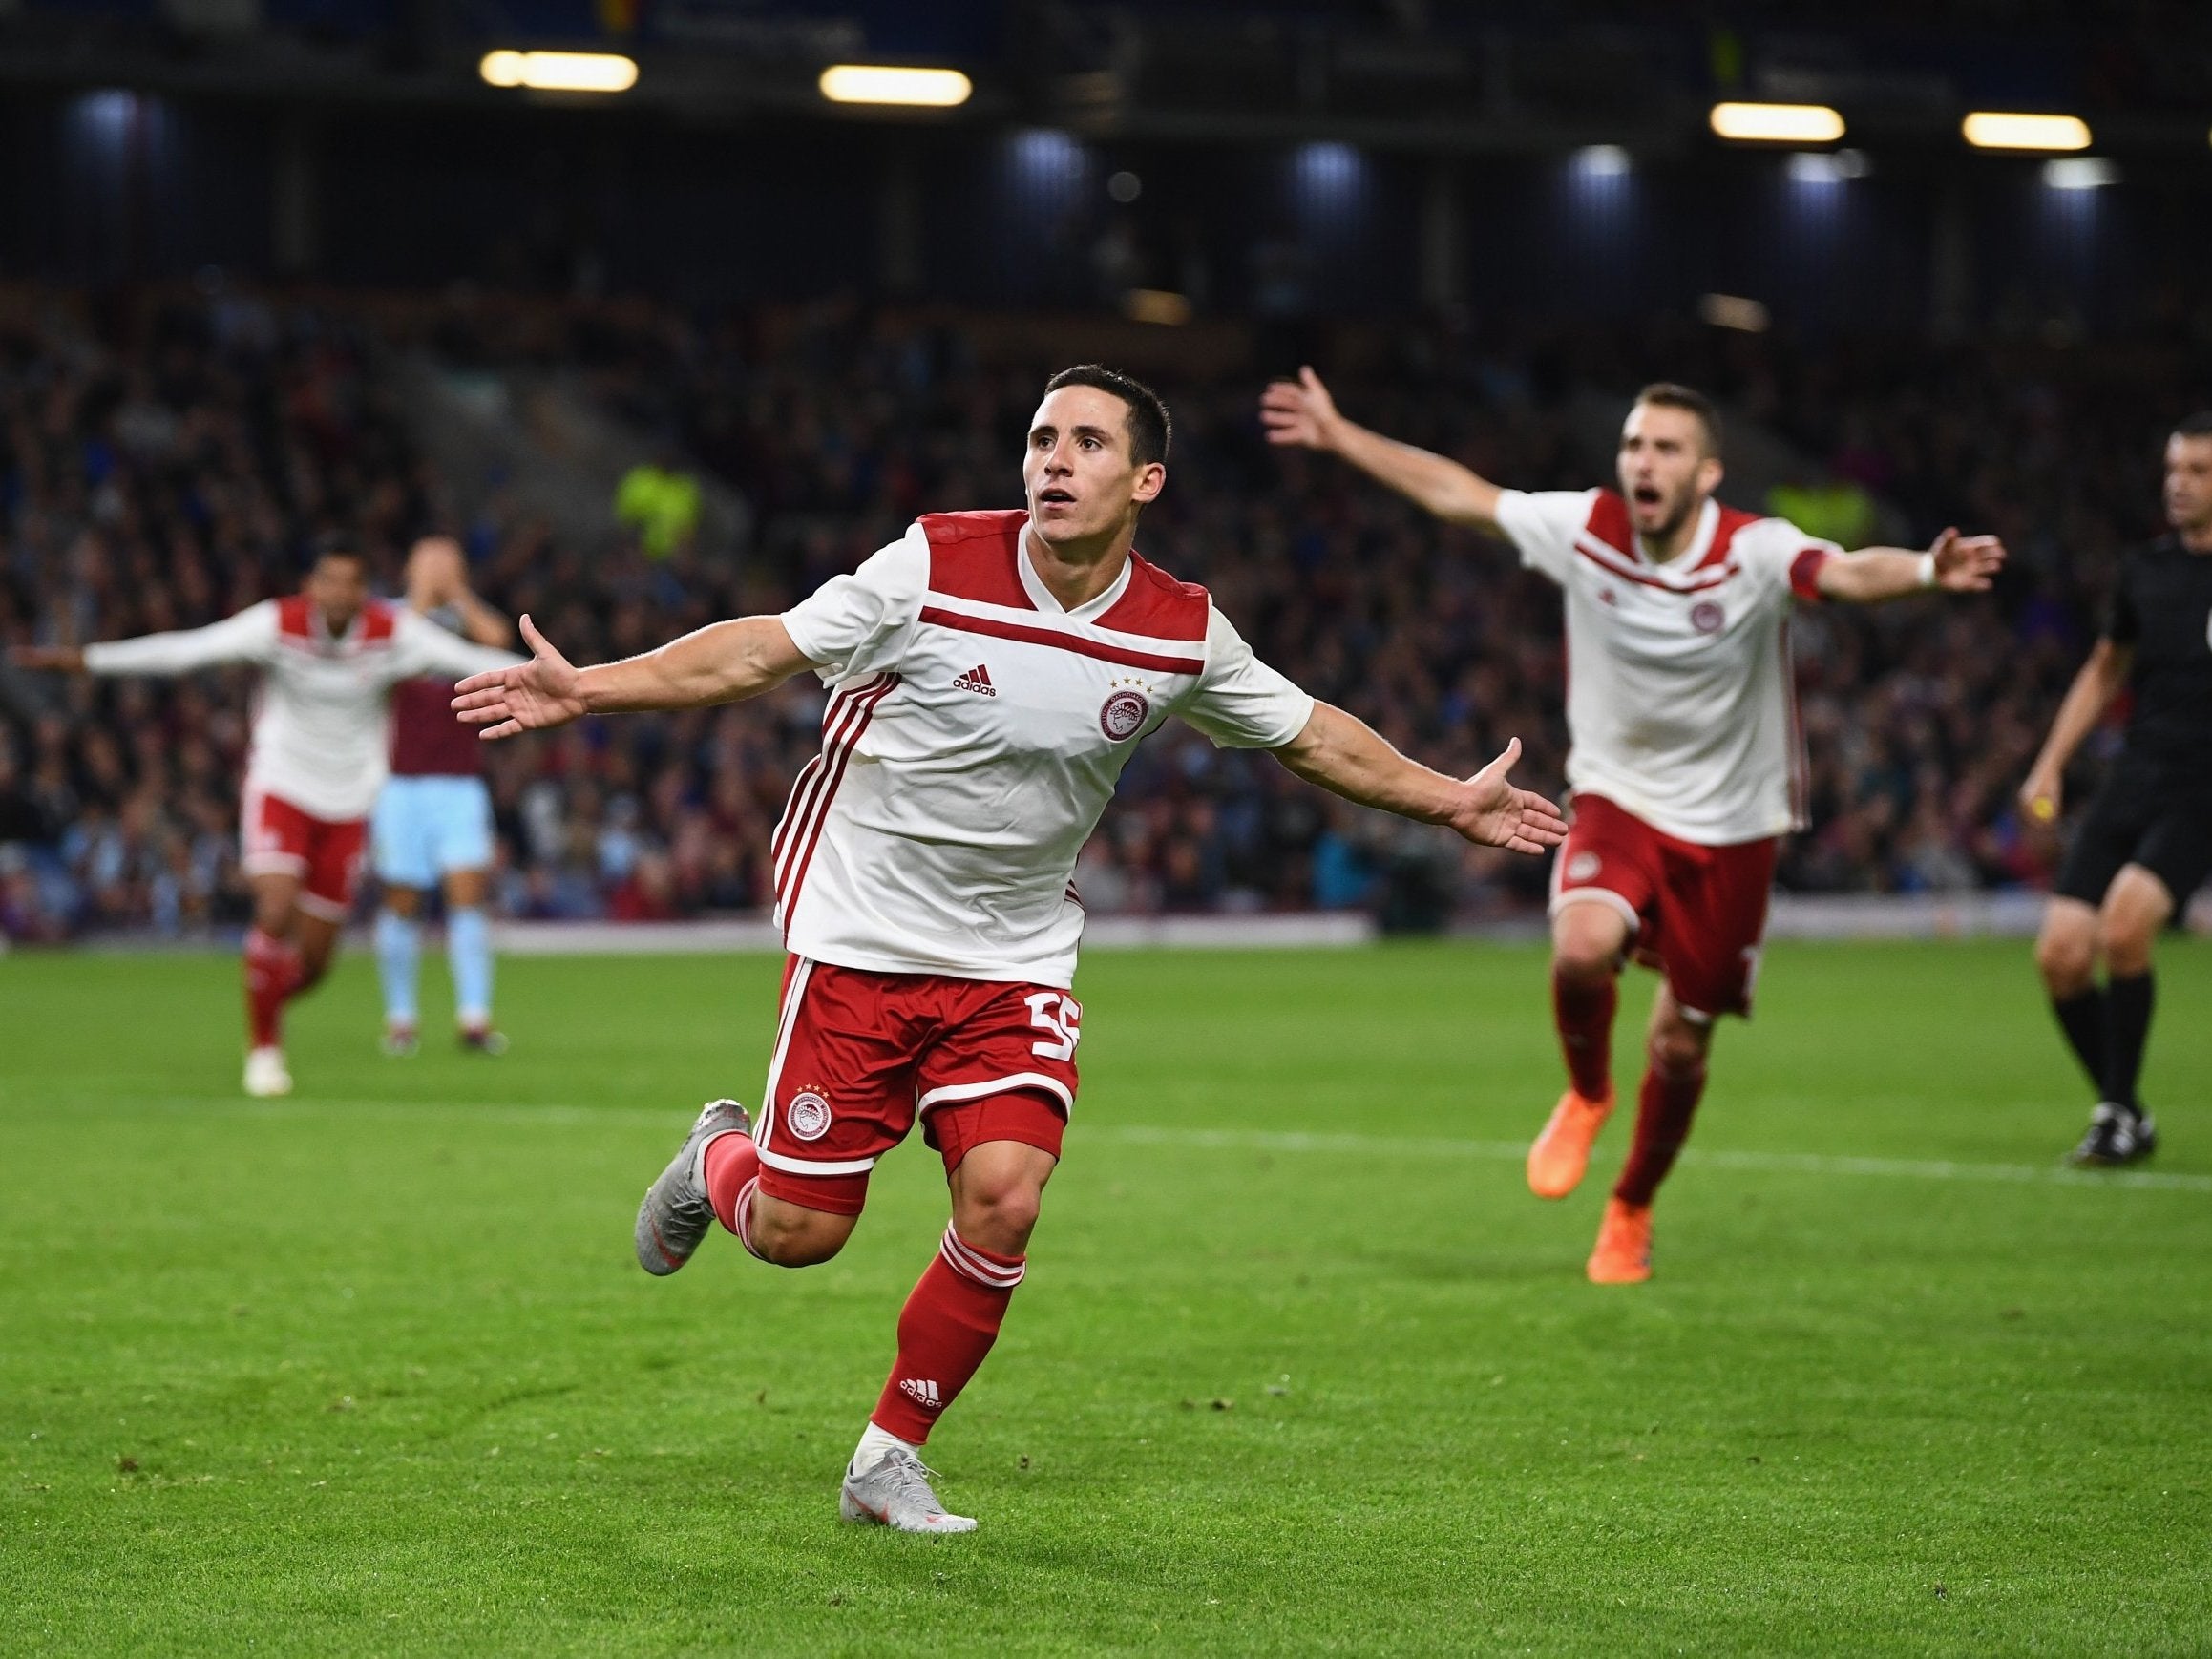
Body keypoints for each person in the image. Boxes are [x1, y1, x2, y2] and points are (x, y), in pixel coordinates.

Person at [452, 365, 1567, 1533]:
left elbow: (1308, 734)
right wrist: (591, 691)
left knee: (1006, 1197)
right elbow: (760, 652)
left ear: (1144, 480)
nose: (1052, 460)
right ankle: (717, 1157)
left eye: (1086, 442)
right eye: (1040, 437)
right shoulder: (932, 564)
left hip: (1016, 957)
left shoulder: (1178, 629)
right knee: (796, 1235)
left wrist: (1449, 801)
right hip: (860, 931)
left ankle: (888, 1456)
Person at [1260, 369, 2005, 1284]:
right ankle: (1585, 1092)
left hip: (1734, 826)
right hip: (1617, 796)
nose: (1642, 463)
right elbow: (1465, 497)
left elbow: (1845, 573)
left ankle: (1631, 1205)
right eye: (1633, 445)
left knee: (1682, 1041)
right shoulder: (1588, 528)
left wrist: (1929, 569)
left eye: (1665, 449)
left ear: (1705, 474)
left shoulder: (1752, 550)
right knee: (1580, 949)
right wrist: (1343, 436)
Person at [12, 539, 519, 1096]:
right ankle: (265, 1050)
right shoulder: (277, 624)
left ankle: (264, 1000)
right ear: (311, 586)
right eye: (327, 581)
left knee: (317, 963)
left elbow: (477, 661)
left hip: (350, 802)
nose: (337, 594)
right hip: (282, 785)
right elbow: (187, 650)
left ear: (363, 592)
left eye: (349, 584)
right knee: (275, 907)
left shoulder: (391, 632)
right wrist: (88, 658)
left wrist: (576, 683)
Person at [2022, 413, 2212, 1166]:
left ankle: (2111, 1113)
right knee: (2060, 956)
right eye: (2174, 469)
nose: (2179, 484)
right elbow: (2105, 667)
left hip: (2201, 789)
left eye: (2197, 471)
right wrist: (2047, 763)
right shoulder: (2145, 571)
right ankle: (2125, 1110)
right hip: (2135, 777)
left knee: (2124, 931)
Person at [371, 537, 516, 1057]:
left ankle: (474, 1019)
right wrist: (421, 602)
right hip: (400, 782)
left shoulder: (469, 621)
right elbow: (377, 659)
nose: (437, 569)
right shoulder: (389, 618)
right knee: (403, 899)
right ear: (409, 566)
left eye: (448, 562)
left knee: (467, 894)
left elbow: (501, 647)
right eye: (428, 560)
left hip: (459, 782)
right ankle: (400, 1019)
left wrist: (457, 597)